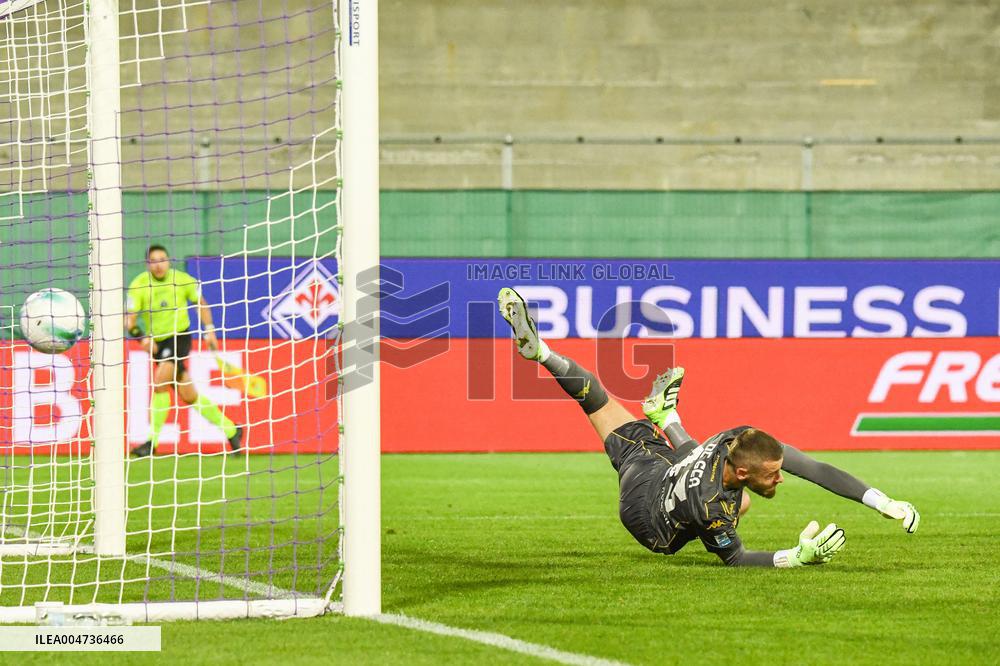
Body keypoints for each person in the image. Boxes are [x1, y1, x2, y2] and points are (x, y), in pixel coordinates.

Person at [497, 287, 919, 567]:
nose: (782, 478)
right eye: (772, 474)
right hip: (645, 515)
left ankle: (545, 353)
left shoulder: (740, 440)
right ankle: (666, 418)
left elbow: (814, 468)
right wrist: (796, 556)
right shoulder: (710, 504)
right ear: (741, 471)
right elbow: (737, 560)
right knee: (739, 506)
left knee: (598, 399)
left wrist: (880, 501)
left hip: (664, 470)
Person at [126, 245, 242, 457]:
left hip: (179, 337)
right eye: (154, 260)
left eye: (162, 259)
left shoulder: (182, 279)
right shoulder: (139, 285)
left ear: (169, 261)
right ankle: (232, 430)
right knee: (188, 395)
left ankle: (152, 443)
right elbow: (130, 320)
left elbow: (201, 304)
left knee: (160, 383)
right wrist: (142, 338)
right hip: (158, 344)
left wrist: (210, 331)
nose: (159, 264)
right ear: (147, 264)